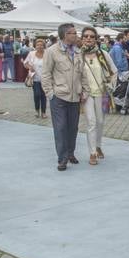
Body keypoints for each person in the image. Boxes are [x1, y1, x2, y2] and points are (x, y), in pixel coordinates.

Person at [41, 23, 88, 170]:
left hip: (75, 97)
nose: (76, 35)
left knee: (72, 128)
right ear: (65, 35)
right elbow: (46, 74)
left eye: (75, 33)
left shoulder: (78, 52)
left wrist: (84, 90)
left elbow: (83, 74)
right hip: (59, 96)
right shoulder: (52, 51)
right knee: (60, 128)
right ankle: (62, 158)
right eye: (73, 33)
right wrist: (50, 93)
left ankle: (70, 153)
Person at [78, 27, 116, 165]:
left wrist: (110, 85)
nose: (89, 38)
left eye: (92, 36)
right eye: (86, 36)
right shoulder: (78, 55)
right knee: (91, 122)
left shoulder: (103, 54)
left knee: (100, 121)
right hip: (86, 94)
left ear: (96, 39)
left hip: (101, 93)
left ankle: (98, 145)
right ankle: (92, 152)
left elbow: (114, 71)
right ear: (82, 38)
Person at [24, 38, 48, 118]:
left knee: (44, 96)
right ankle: (37, 110)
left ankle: (44, 112)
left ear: (44, 46)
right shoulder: (31, 53)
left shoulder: (47, 54)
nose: (39, 46)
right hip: (35, 78)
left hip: (45, 79)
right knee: (37, 95)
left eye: (41, 45)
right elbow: (25, 63)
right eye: (38, 45)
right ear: (35, 46)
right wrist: (30, 67)